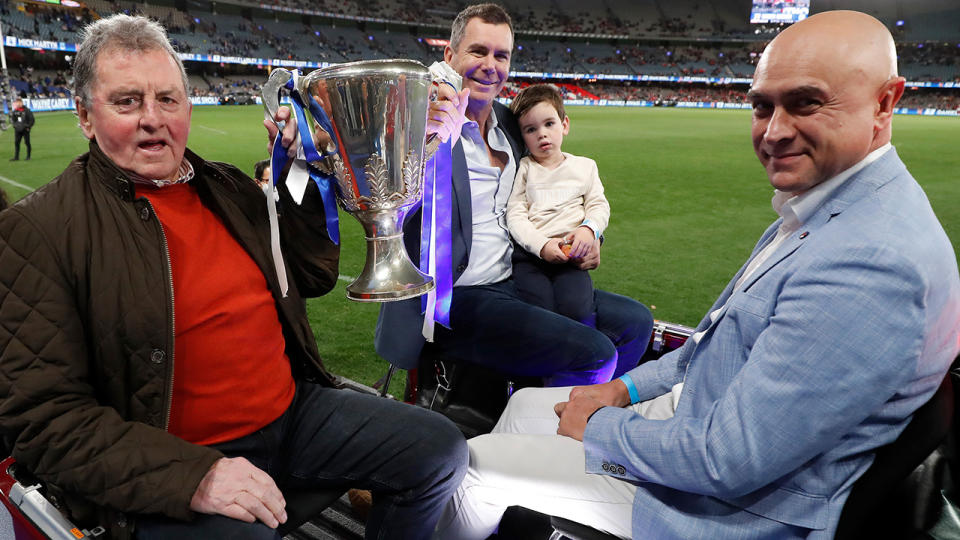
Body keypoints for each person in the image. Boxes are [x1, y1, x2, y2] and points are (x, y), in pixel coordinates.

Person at [433, 10, 960, 540]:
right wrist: (624, 389)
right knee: (525, 405)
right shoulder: (827, 207)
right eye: (762, 106)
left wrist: (601, 429)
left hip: (723, 506)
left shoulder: (871, 260)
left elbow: (728, 461)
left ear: (886, 102)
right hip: (705, 421)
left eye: (806, 102)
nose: (774, 132)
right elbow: (712, 346)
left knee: (475, 468)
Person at [0, 14, 466, 540]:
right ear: (86, 116)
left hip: (292, 415)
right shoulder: (36, 229)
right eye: (127, 102)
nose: (153, 118)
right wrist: (194, 477)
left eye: (169, 99)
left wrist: (304, 169)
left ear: (187, 106)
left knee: (439, 450)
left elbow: (311, 275)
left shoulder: (224, 186)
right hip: (175, 457)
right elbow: (43, 420)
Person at [375, 4, 653, 387]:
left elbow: (557, 184)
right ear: (449, 55)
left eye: (501, 55)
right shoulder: (423, 121)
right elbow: (366, 142)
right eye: (478, 51)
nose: (491, 65)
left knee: (637, 323)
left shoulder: (511, 124)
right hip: (456, 297)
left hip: (521, 278)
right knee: (594, 352)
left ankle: (569, 409)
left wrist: (589, 233)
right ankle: (549, 430)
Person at [506, 83, 609, 327]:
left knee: (577, 309)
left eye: (549, 124)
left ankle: (580, 356)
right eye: (531, 129)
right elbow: (516, 215)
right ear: (522, 137)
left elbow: (599, 205)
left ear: (565, 125)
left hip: (571, 256)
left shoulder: (585, 166)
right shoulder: (525, 169)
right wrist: (541, 246)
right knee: (537, 311)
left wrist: (589, 229)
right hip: (532, 258)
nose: (542, 134)